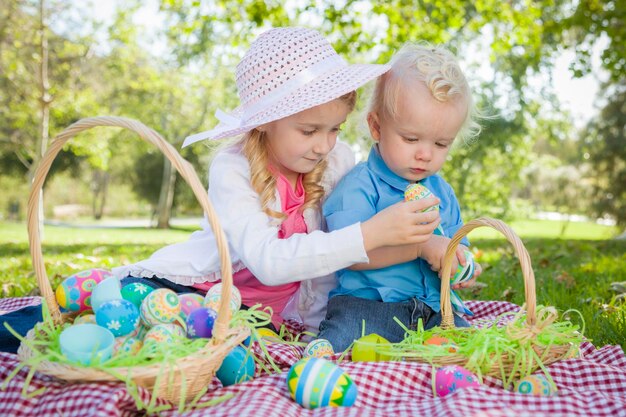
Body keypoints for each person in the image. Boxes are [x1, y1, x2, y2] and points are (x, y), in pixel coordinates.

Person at [0, 27, 442, 353]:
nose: (325, 144)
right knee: (114, 316)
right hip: (194, 290)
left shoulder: (337, 162)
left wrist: (427, 240)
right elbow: (269, 263)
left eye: (335, 129)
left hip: (251, 321)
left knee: (167, 347)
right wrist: (370, 235)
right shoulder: (233, 168)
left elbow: (340, 247)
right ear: (266, 121)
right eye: (309, 130)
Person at [317, 43, 484, 351]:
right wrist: (420, 248)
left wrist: (458, 264)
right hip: (368, 307)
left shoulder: (442, 193)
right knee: (342, 337)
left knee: (472, 347)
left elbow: (456, 244)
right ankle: (322, 359)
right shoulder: (358, 186)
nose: (425, 154)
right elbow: (346, 254)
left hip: (434, 310)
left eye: (441, 143)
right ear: (377, 126)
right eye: (410, 138)